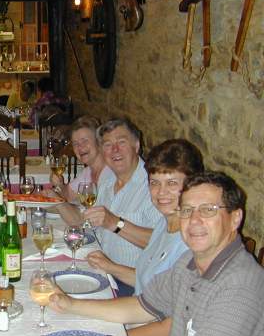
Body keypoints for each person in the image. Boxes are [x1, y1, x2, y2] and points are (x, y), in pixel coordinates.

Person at [49, 171, 264, 336]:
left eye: (208, 210)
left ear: (235, 218)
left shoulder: (240, 285)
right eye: (187, 210)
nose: (194, 220)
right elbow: (140, 307)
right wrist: (70, 303)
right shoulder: (190, 262)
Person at [87, 139, 204, 294]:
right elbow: (147, 280)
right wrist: (110, 266)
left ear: (192, 185)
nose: (161, 192)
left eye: (172, 183)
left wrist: (72, 304)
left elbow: (158, 302)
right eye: (154, 183)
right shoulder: (164, 224)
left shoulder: (190, 241)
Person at [83, 119, 162, 295]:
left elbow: (162, 242)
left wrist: (115, 223)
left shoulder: (154, 185)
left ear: (136, 145)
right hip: (103, 272)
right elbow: (94, 225)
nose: (115, 150)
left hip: (135, 287)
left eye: (121, 142)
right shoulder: (107, 180)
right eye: (108, 145)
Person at [49, 115, 108, 202]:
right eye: (75, 143)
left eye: (85, 141)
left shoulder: (111, 173)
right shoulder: (87, 172)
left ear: (98, 142)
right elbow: (69, 195)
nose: (80, 147)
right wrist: (60, 184)